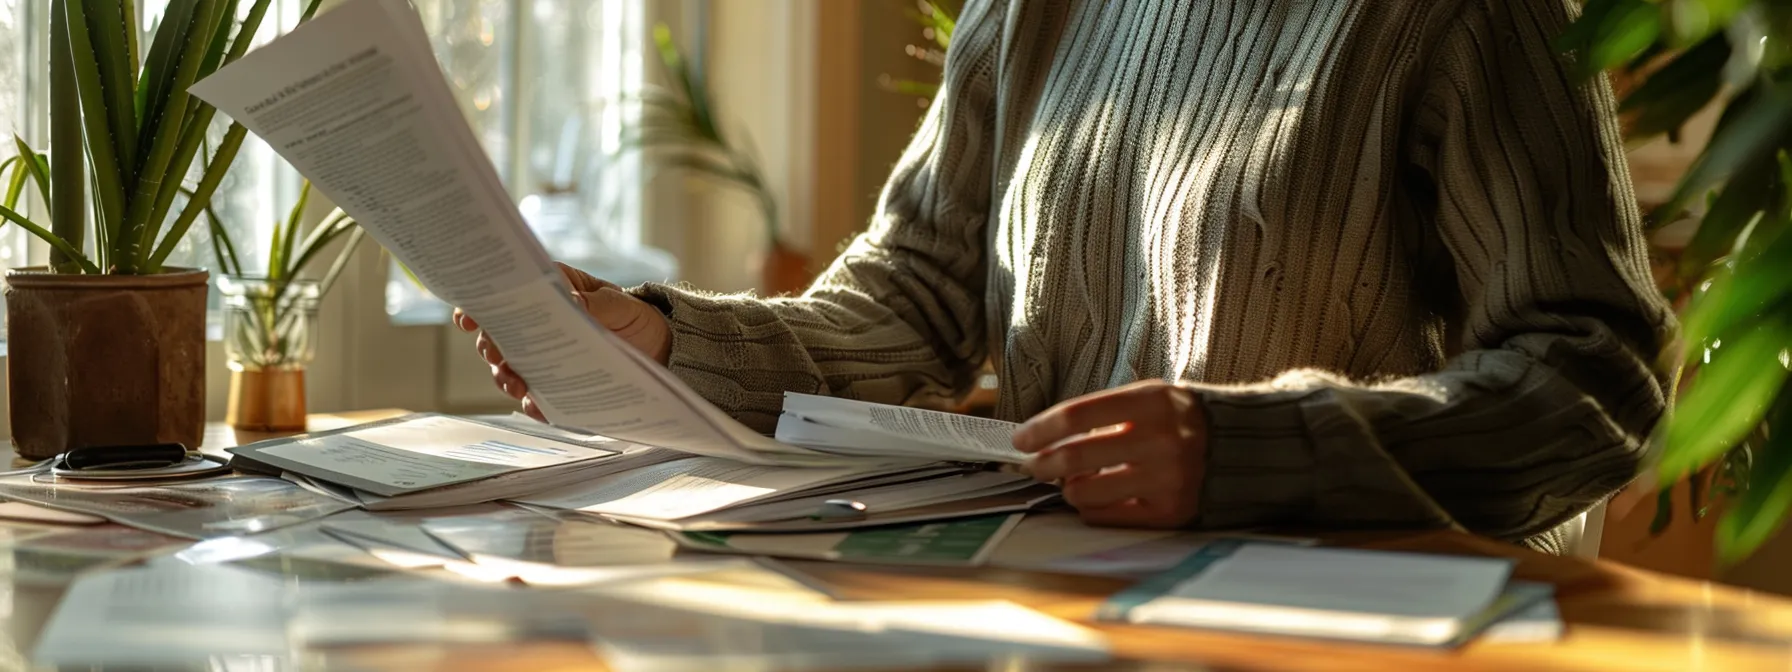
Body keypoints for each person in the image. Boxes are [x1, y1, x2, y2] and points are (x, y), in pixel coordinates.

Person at [457, 0, 1673, 554]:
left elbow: (1594, 377)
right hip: (1070, 613)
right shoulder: (1033, 12)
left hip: (1357, 636)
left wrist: (1250, 448)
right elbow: (917, 297)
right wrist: (667, 340)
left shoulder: (1463, 19)